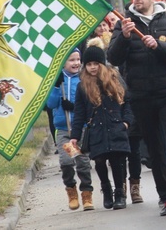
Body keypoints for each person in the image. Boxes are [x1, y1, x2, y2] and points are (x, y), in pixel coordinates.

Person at [108, 0, 166, 216]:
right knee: (155, 148)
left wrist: (159, 46)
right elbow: (113, 58)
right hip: (141, 95)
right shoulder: (123, 23)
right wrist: (124, 37)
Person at [70, 40, 134, 211]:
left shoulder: (114, 79)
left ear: (102, 64)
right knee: (99, 161)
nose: (92, 67)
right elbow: (79, 113)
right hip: (96, 129)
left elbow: (127, 102)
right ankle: (106, 189)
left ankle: (120, 192)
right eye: (89, 64)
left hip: (115, 126)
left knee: (118, 160)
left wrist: (126, 122)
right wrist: (75, 136)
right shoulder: (83, 86)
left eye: (96, 64)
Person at [46, 48, 94, 211]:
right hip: (64, 130)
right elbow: (50, 105)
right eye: (71, 60)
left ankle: (87, 193)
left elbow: (89, 102)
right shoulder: (57, 80)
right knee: (66, 162)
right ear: (63, 63)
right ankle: (71, 189)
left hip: (79, 129)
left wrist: (74, 108)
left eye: (77, 59)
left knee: (82, 163)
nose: (76, 63)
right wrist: (57, 87)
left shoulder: (83, 79)